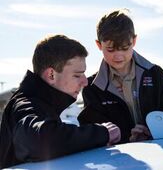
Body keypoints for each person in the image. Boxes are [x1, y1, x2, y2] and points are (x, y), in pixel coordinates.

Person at [0, 34, 121, 169]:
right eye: (77, 75)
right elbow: (37, 140)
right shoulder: (25, 104)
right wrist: (101, 133)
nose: (85, 82)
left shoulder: (42, 102)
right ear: (51, 75)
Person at [78, 9, 163, 143]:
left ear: (134, 41)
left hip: (162, 152)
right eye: (111, 49)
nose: (118, 55)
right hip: (120, 159)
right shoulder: (92, 87)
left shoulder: (155, 74)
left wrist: (152, 131)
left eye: (125, 48)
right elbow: (92, 130)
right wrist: (127, 139)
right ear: (98, 45)